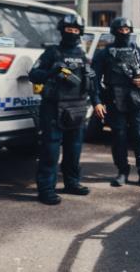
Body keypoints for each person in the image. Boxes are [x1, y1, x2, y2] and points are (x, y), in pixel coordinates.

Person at [29, 14, 95, 205]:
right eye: (68, 29)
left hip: (77, 109)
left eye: (76, 30)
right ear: (62, 30)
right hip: (53, 109)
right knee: (50, 152)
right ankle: (46, 190)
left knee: (74, 151)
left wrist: (97, 102)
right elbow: (34, 74)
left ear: (80, 33)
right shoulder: (52, 53)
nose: (72, 33)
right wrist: (51, 72)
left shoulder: (83, 56)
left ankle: (71, 183)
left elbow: (92, 84)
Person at [91, 17, 140, 189]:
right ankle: (122, 172)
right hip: (115, 101)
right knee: (119, 138)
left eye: (126, 29)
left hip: (137, 101)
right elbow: (94, 80)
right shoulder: (104, 54)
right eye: (120, 30)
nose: (124, 32)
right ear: (114, 32)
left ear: (131, 31)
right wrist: (97, 102)